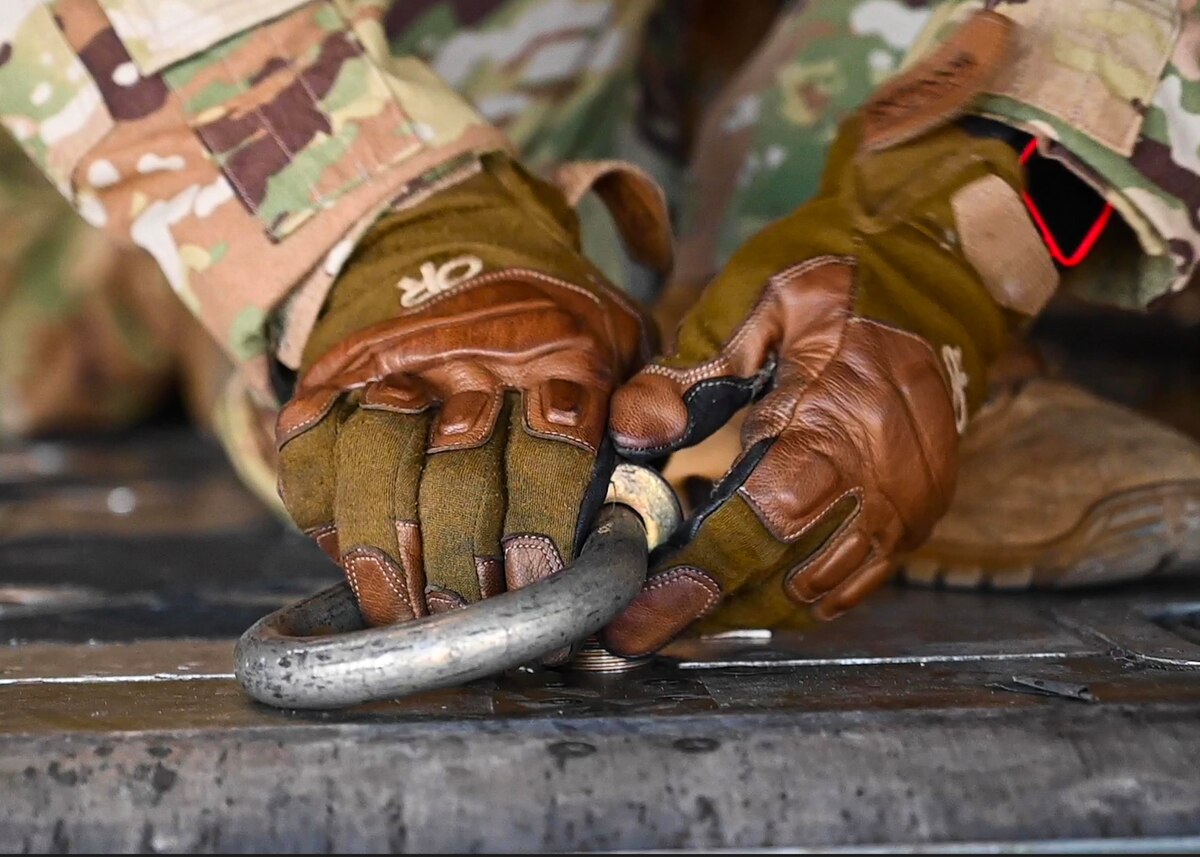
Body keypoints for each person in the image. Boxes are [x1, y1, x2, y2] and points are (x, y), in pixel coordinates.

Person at [2, 0, 1198, 655]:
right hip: (386, 51)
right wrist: (386, 233)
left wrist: (949, 229)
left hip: (805, 55)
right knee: (59, 343)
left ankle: (775, 394)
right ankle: (196, 286)